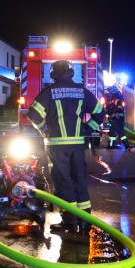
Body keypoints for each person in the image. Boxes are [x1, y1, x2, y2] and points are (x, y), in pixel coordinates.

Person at [27, 60, 105, 233]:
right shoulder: (82, 91)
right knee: (79, 180)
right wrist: (87, 128)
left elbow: (33, 114)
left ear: (53, 75)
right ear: (71, 73)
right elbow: (100, 112)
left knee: (63, 182)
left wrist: (44, 130)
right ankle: (85, 221)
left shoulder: (49, 92)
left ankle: (70, 221)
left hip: (57, 145)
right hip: (77, 146)